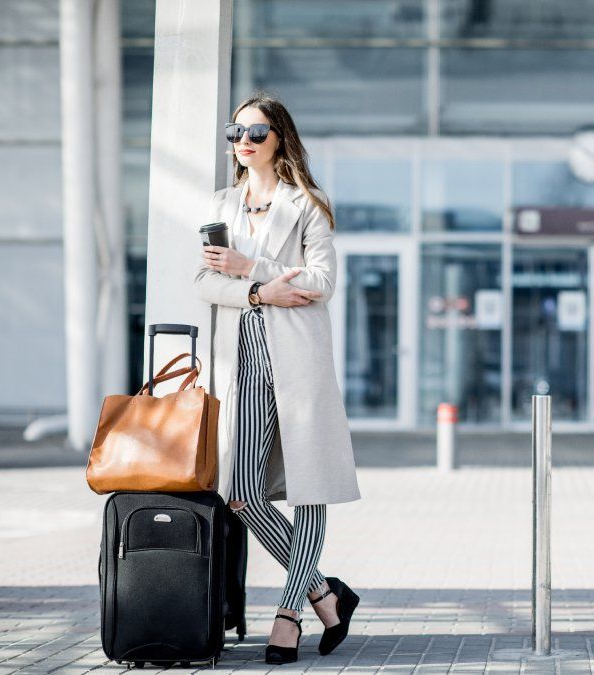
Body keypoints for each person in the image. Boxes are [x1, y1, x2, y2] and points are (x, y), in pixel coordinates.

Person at [193, 93, 361, 665]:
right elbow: (205, 282)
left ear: (280, 139)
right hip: (243, 363)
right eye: (235, 131)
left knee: (308, 488)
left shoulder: (308, 204)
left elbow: (321, 282)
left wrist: (252, 267)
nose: (243, 141)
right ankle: (323, 590)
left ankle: (288, 612)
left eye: (257, 132)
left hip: (299, 361)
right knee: (242, 493)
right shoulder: (222, 204)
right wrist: (260, 289)